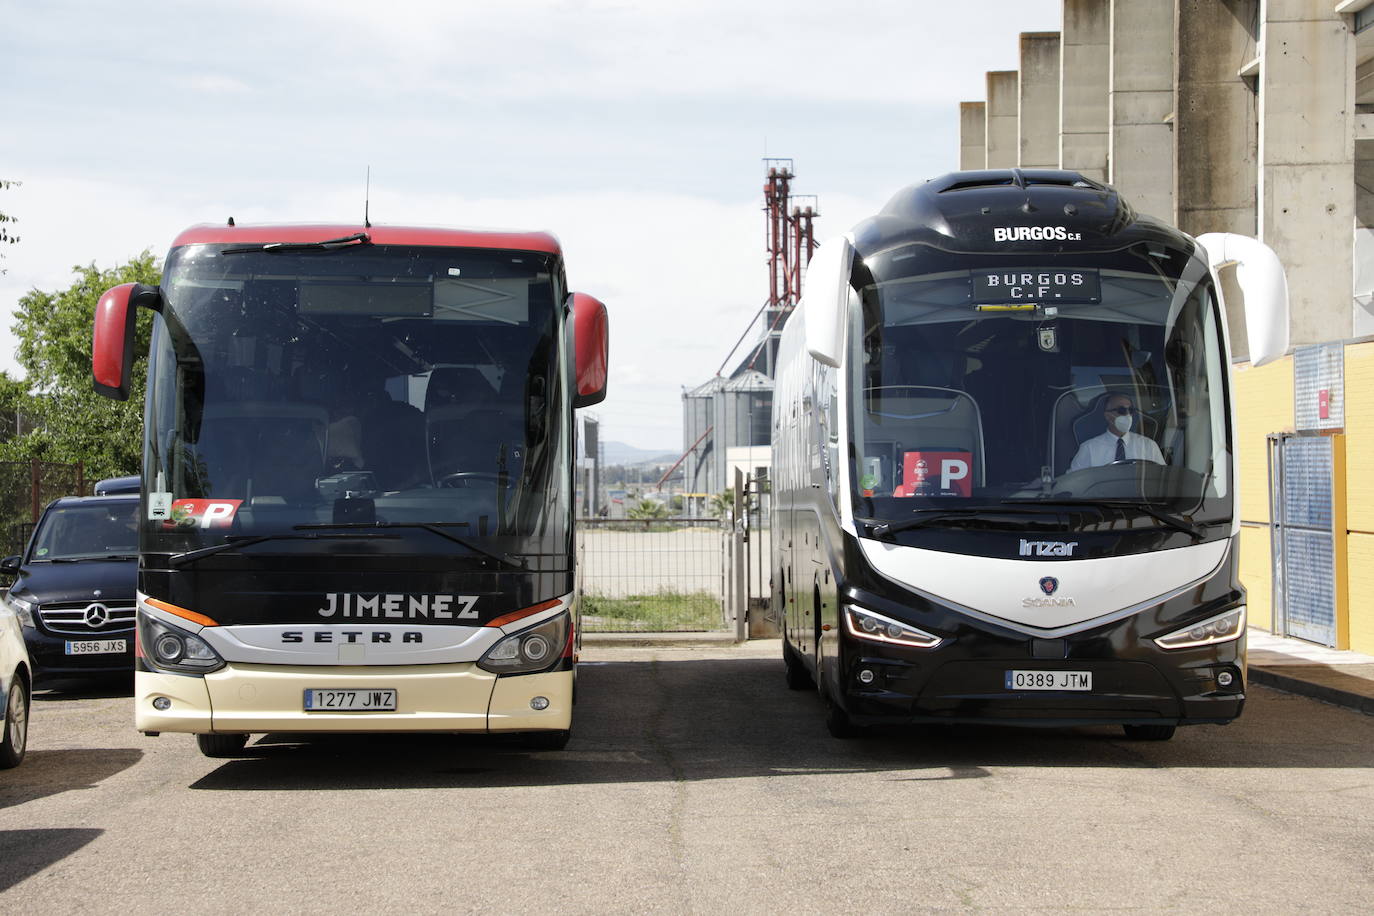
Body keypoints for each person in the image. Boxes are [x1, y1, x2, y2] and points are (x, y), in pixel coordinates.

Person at [1068, 394, 1164, 471]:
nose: (1127, 415)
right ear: (1108, 416)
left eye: (1130, 410)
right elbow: (1074, 482)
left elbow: (1161, 478)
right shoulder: (1089, 448)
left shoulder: (1149, 446)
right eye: (1121, 410)